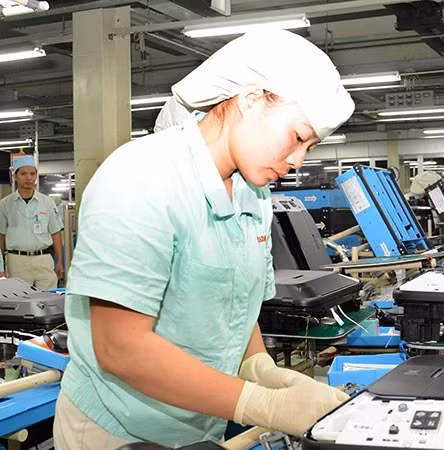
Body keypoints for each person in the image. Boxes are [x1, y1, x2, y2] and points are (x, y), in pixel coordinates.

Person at [53, 29, 355, 448]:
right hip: (117, 429)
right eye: (299, 137)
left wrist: (261, 368)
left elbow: (235, 302)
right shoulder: (141, 179)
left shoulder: (255, 193)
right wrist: (259, 404)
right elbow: (120, 347)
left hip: (199, 424)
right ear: (251, 99)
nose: (298, 160)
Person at [0, 155, 64, 289]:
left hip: (44, 258)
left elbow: (55, 233)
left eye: (32, 174)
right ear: (15, 176)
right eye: (23, 174)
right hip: (16, 260)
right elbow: (1, 236)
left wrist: (60, 262)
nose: (28, 178)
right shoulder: (5, 205)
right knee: (20, 301)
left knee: (48, 300)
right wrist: (1, 266)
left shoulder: (47, 202)